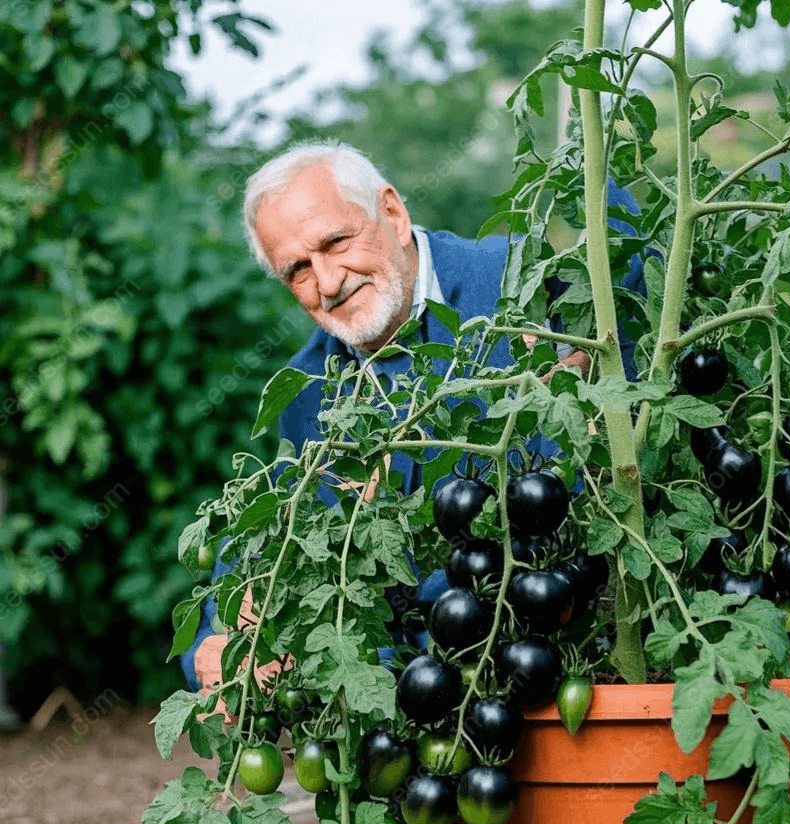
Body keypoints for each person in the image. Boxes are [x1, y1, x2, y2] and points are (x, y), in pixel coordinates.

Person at [181, 139, 645, 695]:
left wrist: (601, 149)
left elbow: (636, 276)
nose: (328, 283)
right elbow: (278, 535)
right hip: (434, 703)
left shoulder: (522, 287)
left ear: (394, 214)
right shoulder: (306, 394)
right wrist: (215, 640)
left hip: (574, 663)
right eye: (298, 269)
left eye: (336, 242)